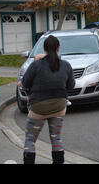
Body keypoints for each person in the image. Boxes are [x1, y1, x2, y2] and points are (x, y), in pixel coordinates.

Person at [20, 35, 75, 164]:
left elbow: (25, 83)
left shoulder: (36, 65)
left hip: (38, 106)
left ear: (44, 49)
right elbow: (71, 86)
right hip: (59, 106)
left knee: (30, 139)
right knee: (56, 138)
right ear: (58, 48)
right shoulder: (66, 65)